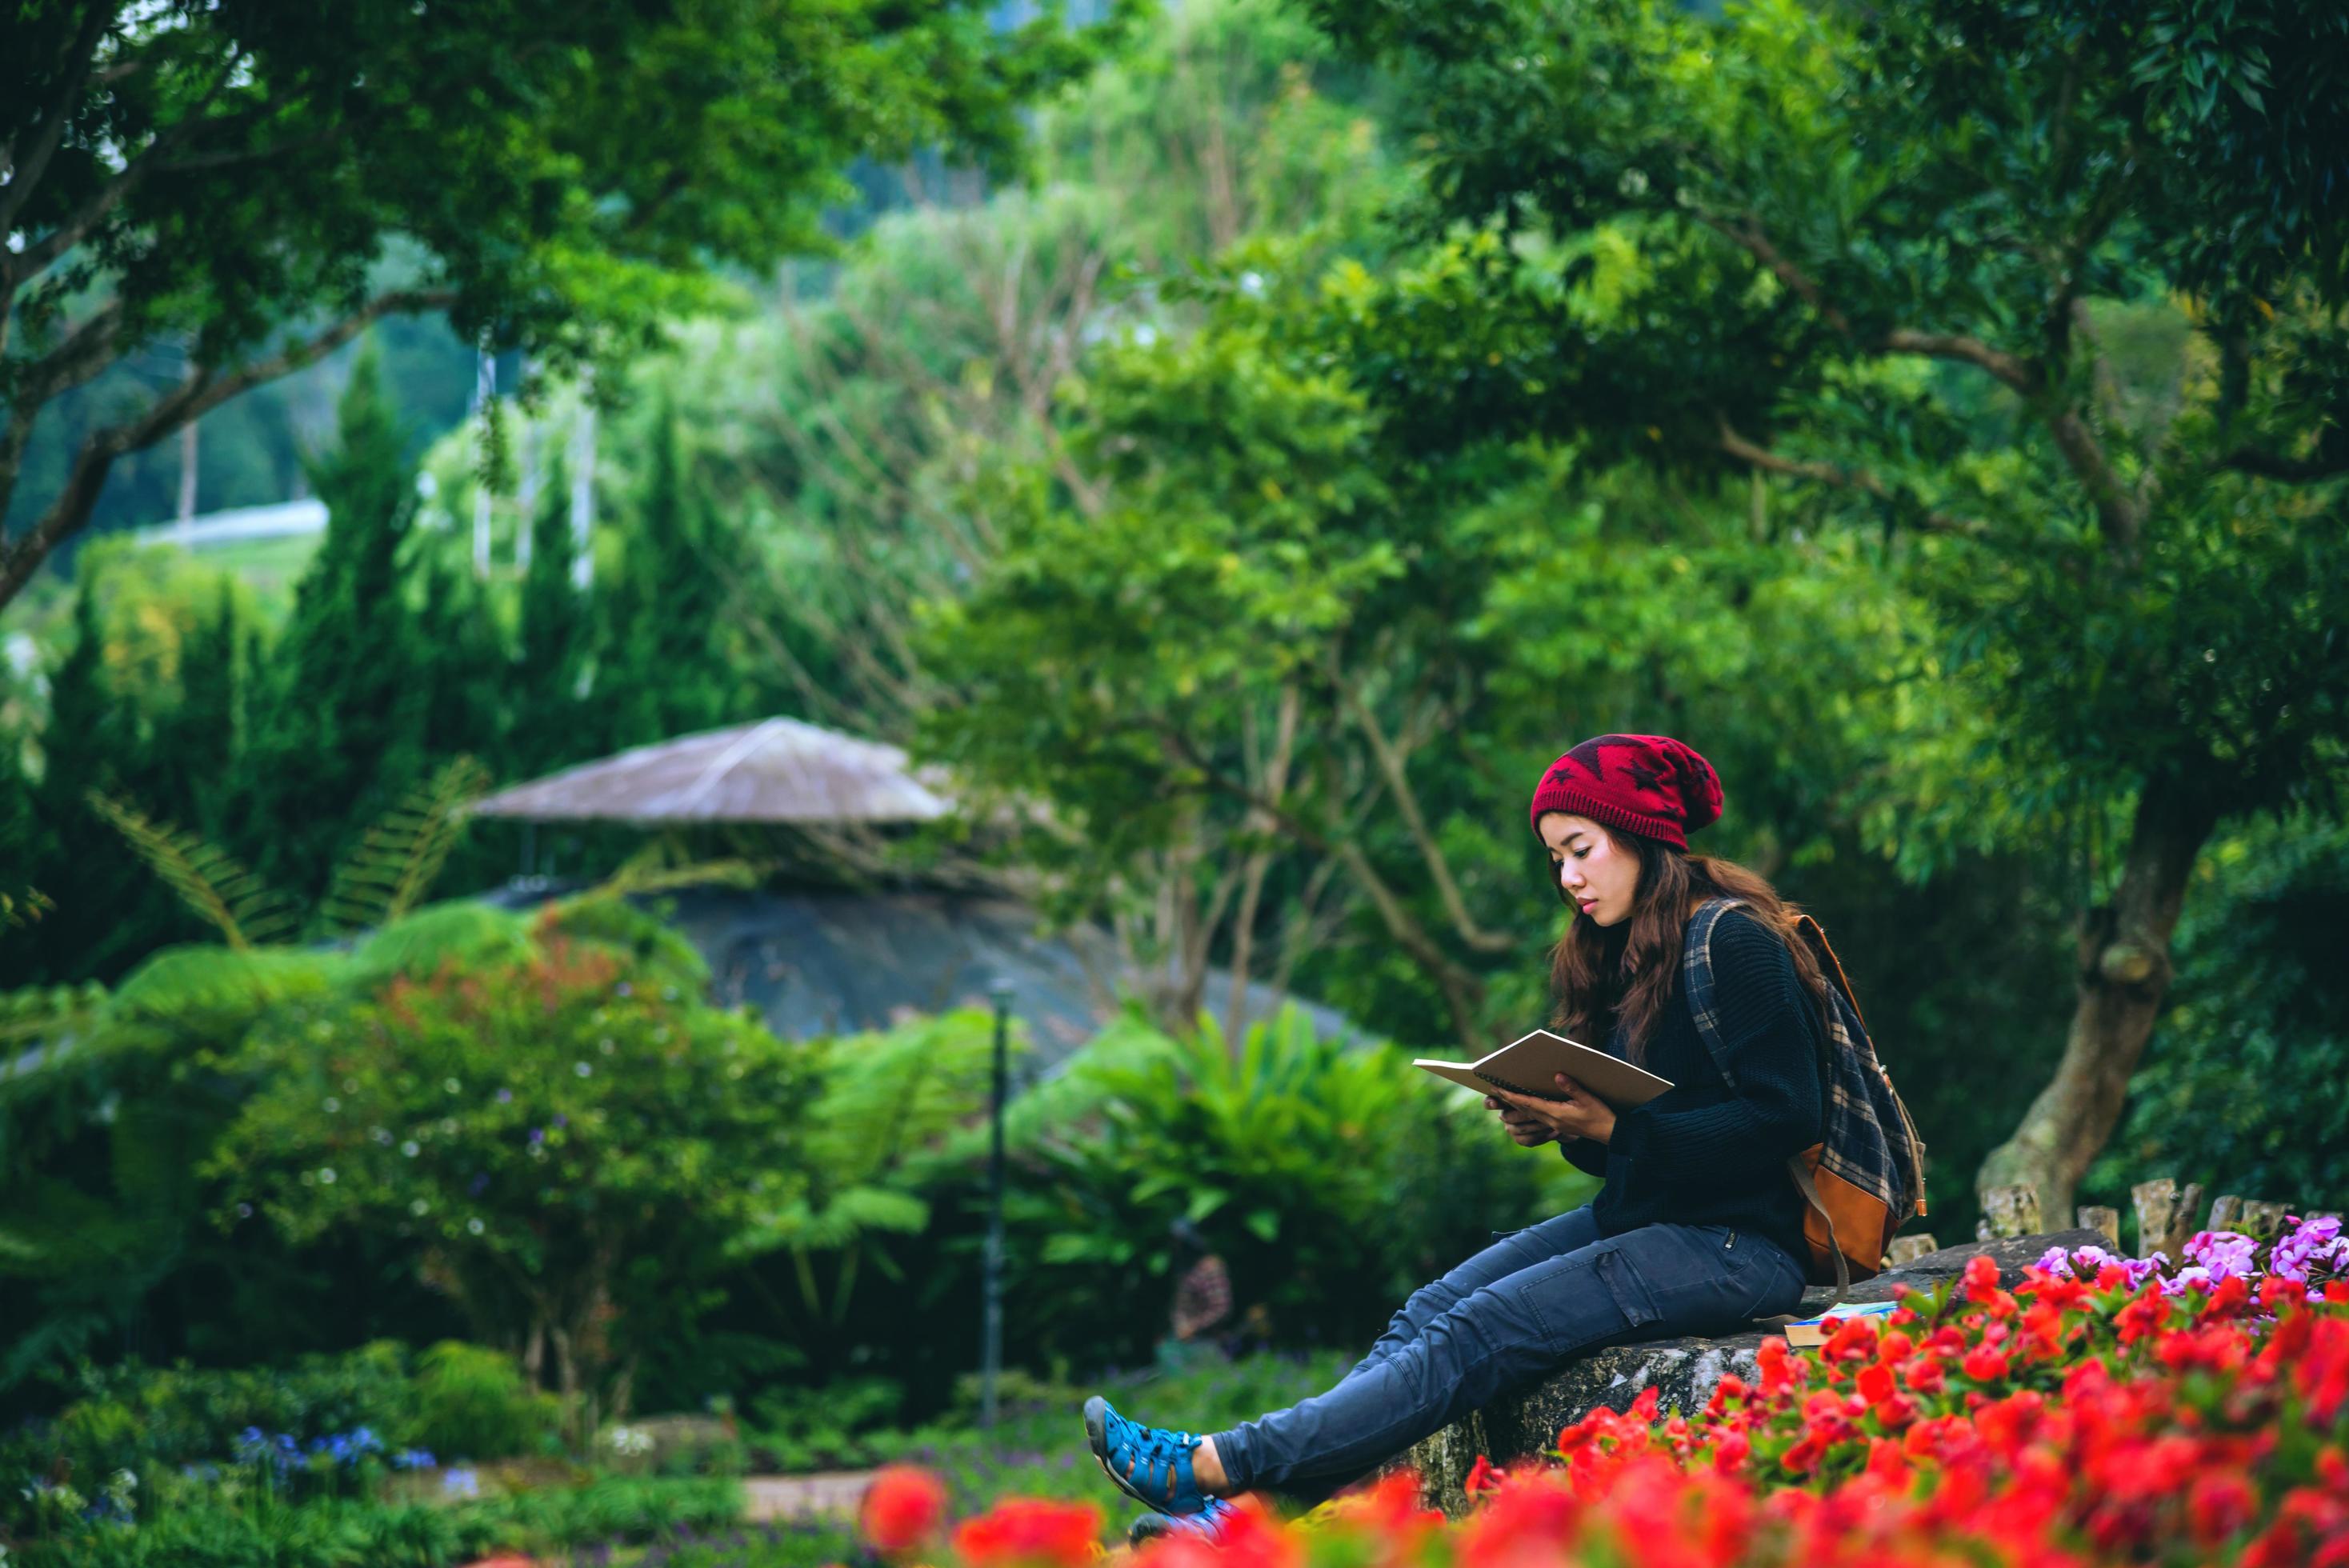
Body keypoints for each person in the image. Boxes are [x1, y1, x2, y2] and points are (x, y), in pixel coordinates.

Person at [1083, 734, 1831, 1541]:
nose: (1567, 877)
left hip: (1740, 1247)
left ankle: (1213, 1463)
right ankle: (1238, 1523)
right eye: (1554, 859)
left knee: (1475, 1334)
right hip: (1647, 1217)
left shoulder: (1733, 939)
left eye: (1579, 849)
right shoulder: (1621, 954)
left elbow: (1786, 1114)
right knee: (1429, 1309)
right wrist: (1562, 1124)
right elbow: (1632, 1136)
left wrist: (1617, 1125)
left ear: (1641, 835)